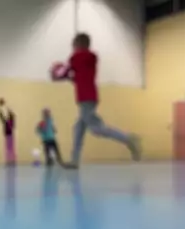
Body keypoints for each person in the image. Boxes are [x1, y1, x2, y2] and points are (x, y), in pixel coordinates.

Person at [53, 33, 141, 168]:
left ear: (77, 45)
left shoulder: (76, 57)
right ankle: (74, 160)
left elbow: (64, 72)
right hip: (90, 96)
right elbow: (78, 78)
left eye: (73, 45)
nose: (72, 48)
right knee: (78, 128)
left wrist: (56, 73)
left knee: (97, 129)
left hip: (85, 98)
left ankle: (129, 139)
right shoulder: (90, 58)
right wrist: (67, 76)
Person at [0, 98, 16, 165]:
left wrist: (8, 109)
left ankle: (12, 161)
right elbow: (1, 117)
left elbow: (12, 115)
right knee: (8, 149)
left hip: (10, 135)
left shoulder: (11, 120)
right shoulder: (6, 121)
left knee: (11, 149)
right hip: (7, 135)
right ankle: (9, 161)